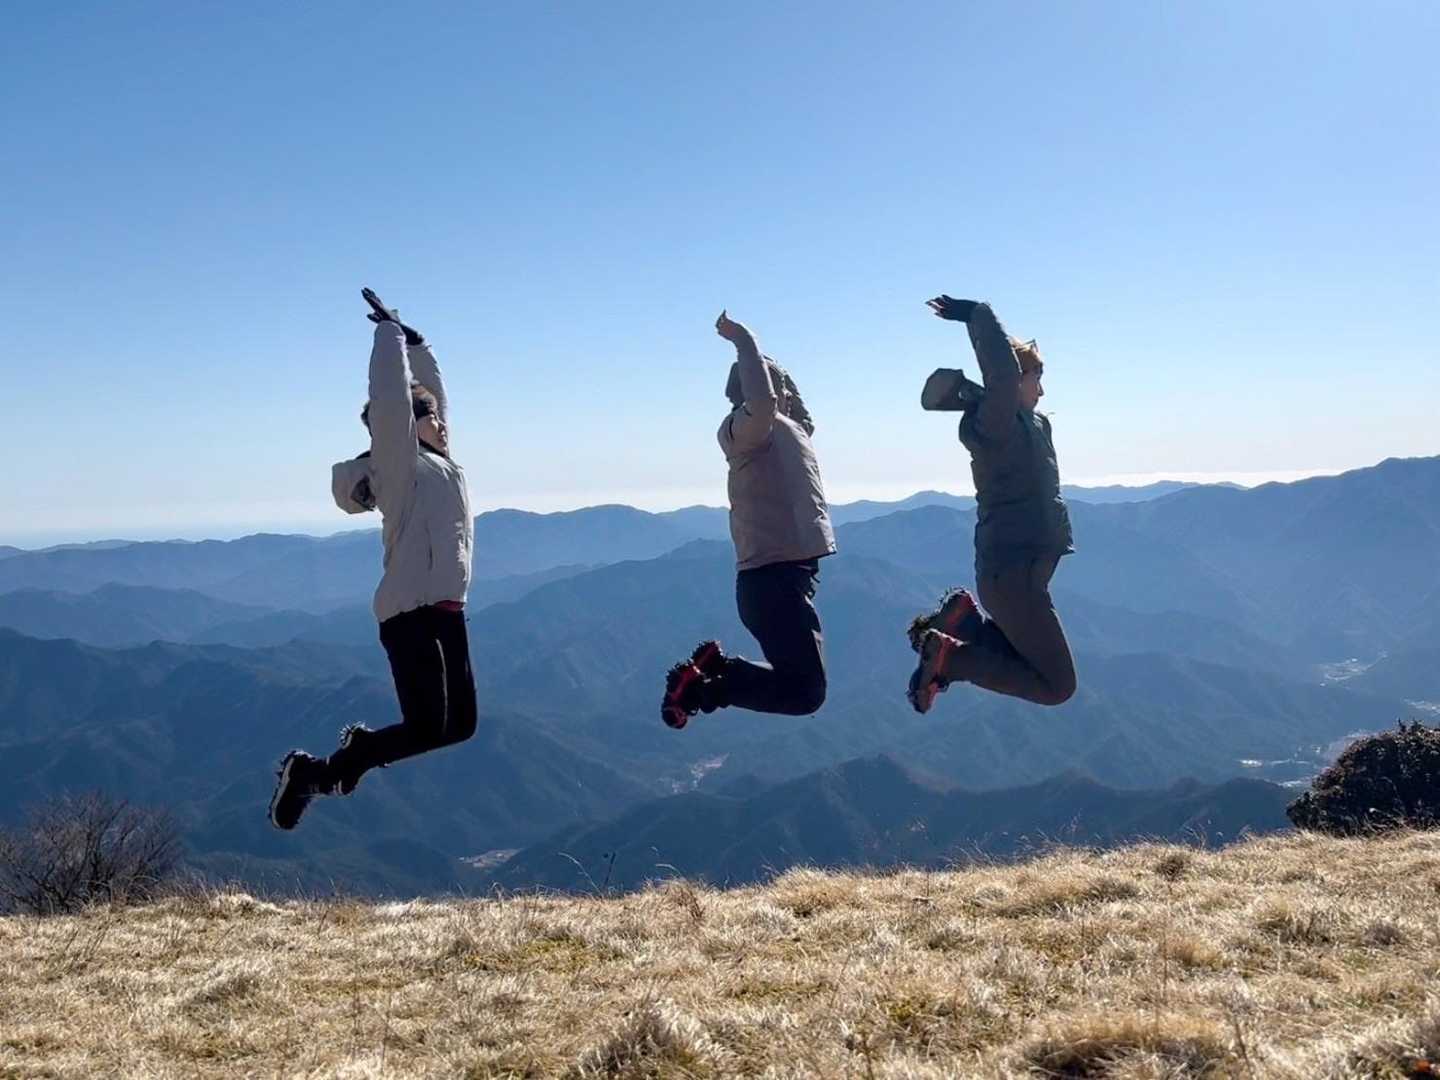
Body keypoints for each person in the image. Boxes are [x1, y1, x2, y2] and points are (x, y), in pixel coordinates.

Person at [269, 289, 477, 830]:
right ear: (408, 425)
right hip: (412, 613)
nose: (442, 422)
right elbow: (390, 402)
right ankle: (320, 771)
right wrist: (388, 337)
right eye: (429, 417)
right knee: (427, 726)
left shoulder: (443, 461)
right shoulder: (401, 466)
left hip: (447, 610)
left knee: (460, 727)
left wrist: (419, 344)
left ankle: (344, 760)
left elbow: (432, 398)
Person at [660, 311, 837, 729]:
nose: (781, 397)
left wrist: (776, 369)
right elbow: (763, 402)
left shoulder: (785, 433)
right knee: (806, 693)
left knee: (801, 685)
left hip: (781, 580)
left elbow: (802, 418)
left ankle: (715, 671)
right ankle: (701, 690)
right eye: (776, 390)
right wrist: (745, 342)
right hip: (772, 582)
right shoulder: (748, 431)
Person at [906, 296, 1077, 712]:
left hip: (1017, 574)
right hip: (1013, 576)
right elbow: (1001, 375)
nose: (1042, 389)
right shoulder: (995, 424)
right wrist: (977, 314)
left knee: (1025, 663)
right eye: (1037, 377)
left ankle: (965, 625)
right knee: (1057, 686)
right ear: (1016, 380)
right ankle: (951, 659)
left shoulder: (1028, 424)